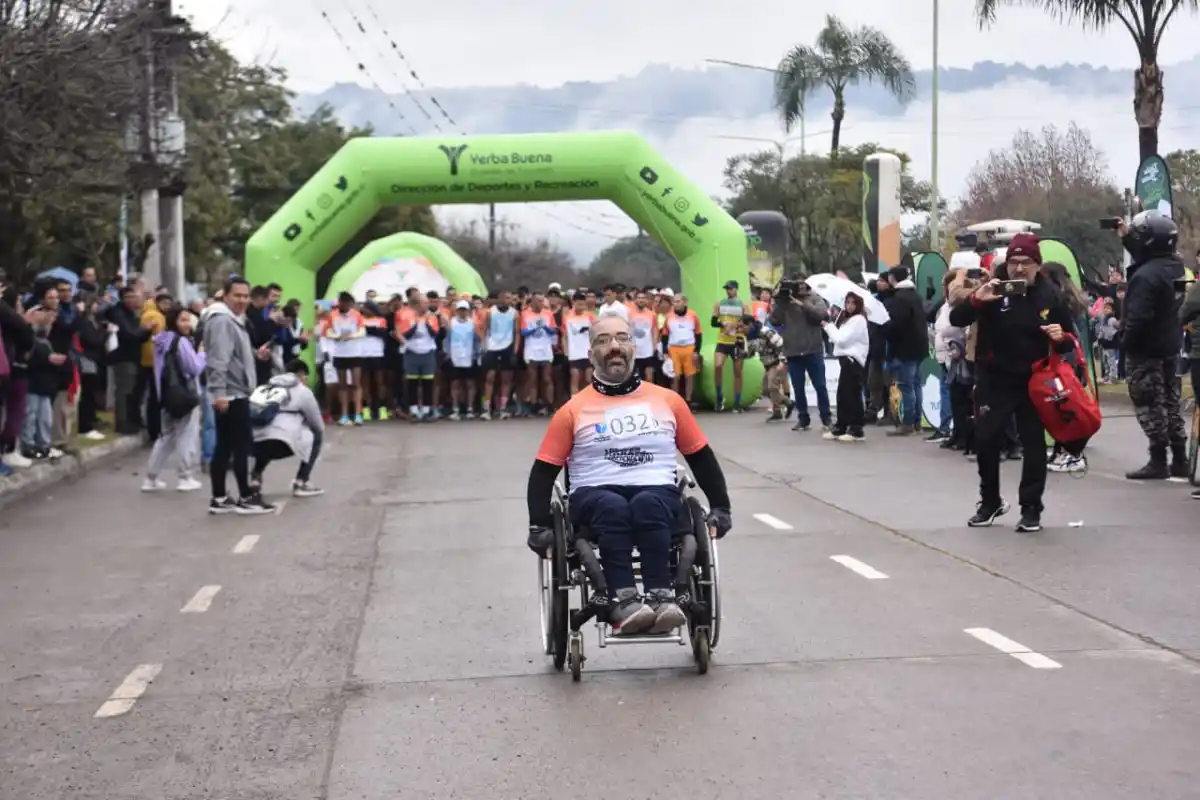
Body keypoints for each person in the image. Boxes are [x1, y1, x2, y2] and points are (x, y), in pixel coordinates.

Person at [524, 315, 733, 636]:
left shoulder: (668, 401)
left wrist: (721, 507)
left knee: (649, 503)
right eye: (603, 340)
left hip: (656, 490)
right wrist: (538, 525)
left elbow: (700, 457)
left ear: (634, 346)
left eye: (622, 338)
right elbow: (543, 471)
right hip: (594, 494)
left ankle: (662, 597)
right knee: (612, 506)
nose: (614, 347)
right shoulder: (572, 410)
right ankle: (623, 601)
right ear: (591, 352)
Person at [949, 233, 1076, 532]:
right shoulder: (993, 290)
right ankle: (990, 501)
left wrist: (1060, 338)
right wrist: (978, 301)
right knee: (986, 438)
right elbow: (957, 319)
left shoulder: (1051, 296)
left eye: (1026, 263)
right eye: (1013, 263)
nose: (1019, 270)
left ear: (1038, 265)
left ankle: (1031, 507)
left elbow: (1069, 341)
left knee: (1033, 444)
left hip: (1035, 380)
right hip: (995, 378)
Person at [1115, 212, 1188, 480]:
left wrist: (1126, 342)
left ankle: (1158, 459)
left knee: (1148, 403)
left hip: (1147, 350)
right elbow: (1150, 255)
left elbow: (1138, 317)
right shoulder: (1175, 267)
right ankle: (1180, 459)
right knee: (1171, 403)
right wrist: (1127, 238)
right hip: (1170, 344)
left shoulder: (1145, 277)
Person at [203, 277, 274, 514]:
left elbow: (234, 354)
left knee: (225, 445)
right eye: (237, 295)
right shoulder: (222, 320)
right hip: (231, 393)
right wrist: (219, 393)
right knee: (242, 445)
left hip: (234, 390)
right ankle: (246, 497)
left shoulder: (234, 319)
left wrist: (255, 355)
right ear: (225, 295)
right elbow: (218, 359)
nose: (242, 300)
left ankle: (220, 497)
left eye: (245, 296)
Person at [143, 306, 205, 492]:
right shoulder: (182, 342)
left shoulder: (161, 340)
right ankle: (185, 477)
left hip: (166, 396)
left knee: (166, 437)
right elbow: (194, 368)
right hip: (185, 396)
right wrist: (202, 353)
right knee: (186, 436)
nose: (187, 324)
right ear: (174, 322)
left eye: (188, 320)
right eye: (183, 320)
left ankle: (150, 479)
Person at [249, 359, 325, 497]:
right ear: (301, 375)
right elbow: (317, 424)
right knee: (317, 436)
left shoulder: (264, 387)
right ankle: (301, 482)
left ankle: (255, 476)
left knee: (267, 434)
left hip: (252, 444)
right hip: (283, 444)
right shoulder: (303, 391)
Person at [769, 278, 830, 432]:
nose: (801, 288)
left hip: (813, 350)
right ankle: (803, 419)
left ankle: (826, 418)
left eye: (803, 285)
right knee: (798, 388)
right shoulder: (786, 302)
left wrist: (803, 304)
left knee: (820, 386)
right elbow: (774, 320)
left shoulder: (816, 298)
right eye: (797, 285)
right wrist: (779, 300)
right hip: (794, 351)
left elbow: (821, 316)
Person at [879, 266, 928, 436]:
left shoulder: (899, 299)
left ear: (893, 278)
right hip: (919, 347)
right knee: (915, 385)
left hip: (904, 349)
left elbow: (896, 325)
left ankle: (907, 423)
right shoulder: (915, 295)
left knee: (906, 386)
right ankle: (916, 423)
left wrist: (883, 329)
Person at [821, 292, 870, 441]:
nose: (849, 306)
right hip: (846, 360)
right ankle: (841, 426)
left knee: (851, 395)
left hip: (853, 360)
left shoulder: (858, 320)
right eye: (847, 302)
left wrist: (828, 326)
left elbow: (841, 340)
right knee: (843, 395)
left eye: (852, 303)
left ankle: (856, 429)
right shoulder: (848, 319)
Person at [105, 287, 152, 435]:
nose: (132, 300)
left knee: (133, 390)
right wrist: (145, 330)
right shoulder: (118, 313)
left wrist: (145, 331)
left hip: (134, 356)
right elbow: (129, 334)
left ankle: (133, 420)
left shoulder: (133, 314)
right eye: (128, 297)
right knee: (124, 391)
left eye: (134, 297)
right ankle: (122, 423)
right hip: (123, 357)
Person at [711, 280, 751, 412]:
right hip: (722, 340)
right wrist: (723, 325)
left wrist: (736, 326)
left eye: (731, 289)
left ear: (736, 289)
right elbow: (713, 322)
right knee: (717, 366)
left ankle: (737, 403)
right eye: (727, 289)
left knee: (737, 372)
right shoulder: (719, 304)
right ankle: (719, 396)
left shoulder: (743, 305)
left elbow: (749, 323)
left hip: (737, 340)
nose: (729, 291)